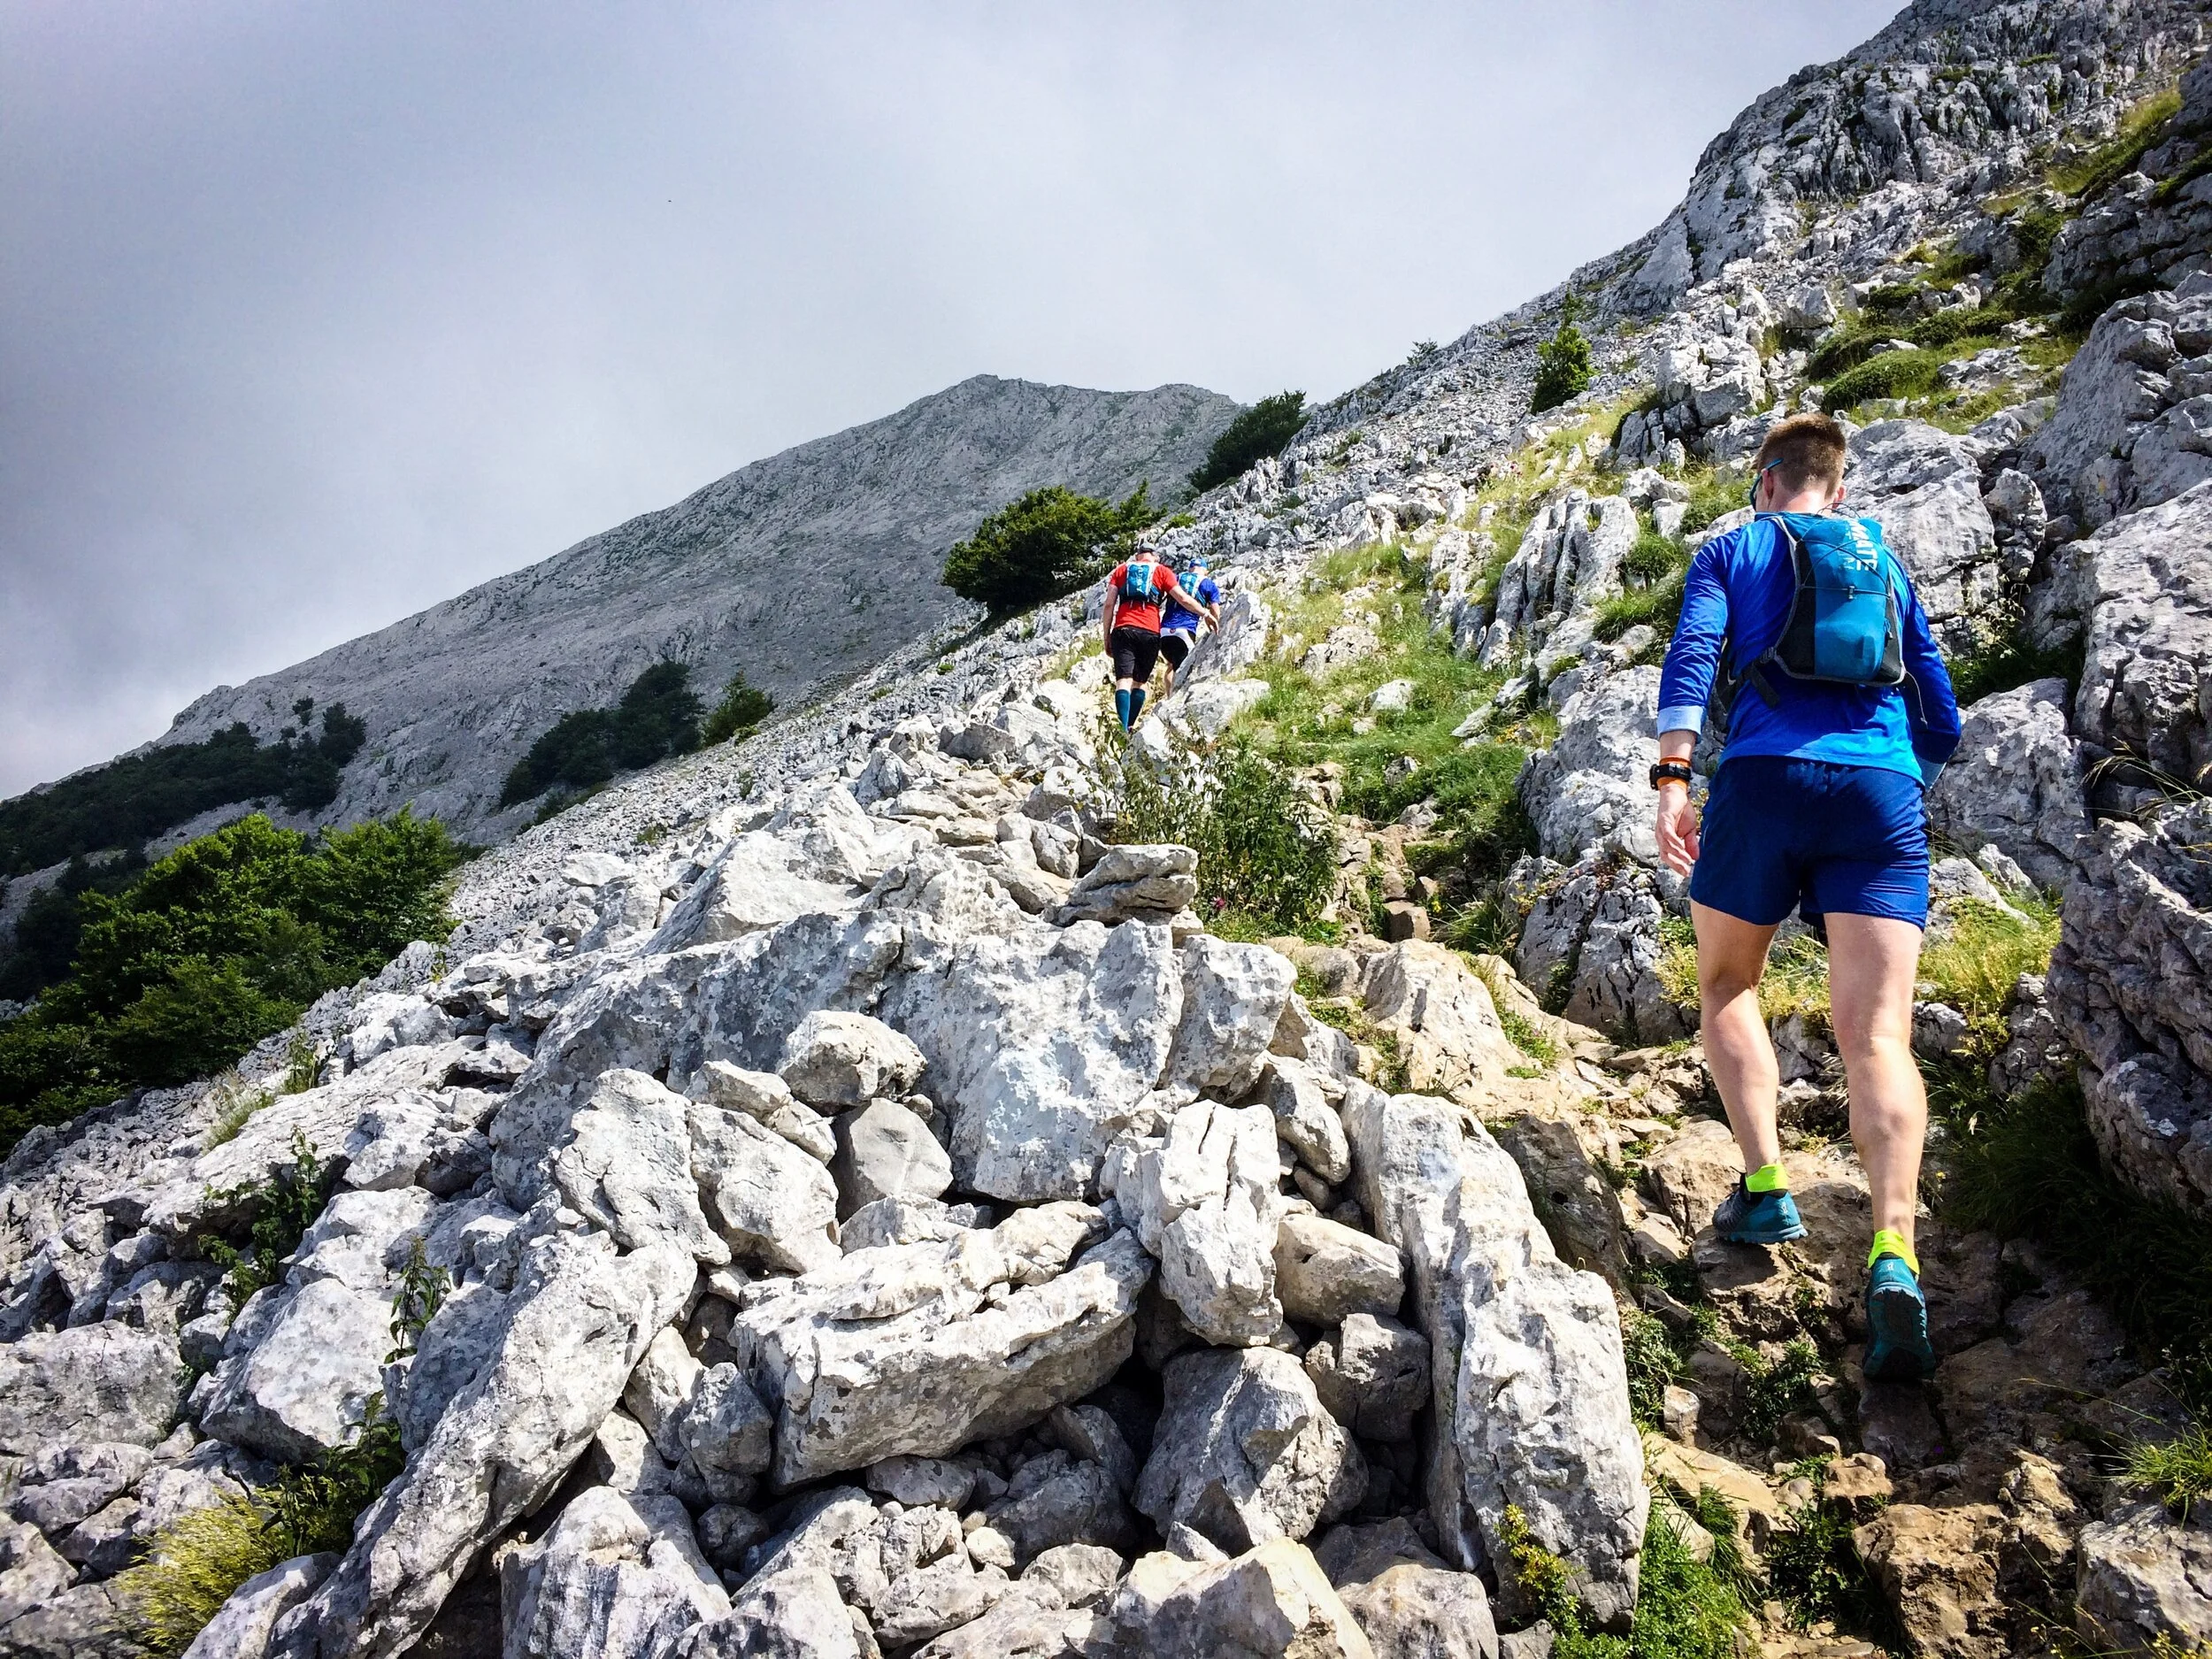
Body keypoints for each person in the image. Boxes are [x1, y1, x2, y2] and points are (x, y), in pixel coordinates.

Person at [1651, 411, 1961, 1384]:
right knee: (1879, 1037)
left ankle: (1766, 1184)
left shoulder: (1735, 547)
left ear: (1764, 478)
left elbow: (1694, 661)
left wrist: (1671, 777)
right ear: (1841, 484)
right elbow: (1939, 709)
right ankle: (1894, 1254)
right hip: (1881, 794)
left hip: (1761, 781)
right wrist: (1893, 774)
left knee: (1729, 985)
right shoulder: (1885, 562)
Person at [1101, 545, 1199, 730]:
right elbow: (1183, 599)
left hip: (1123, 628)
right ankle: (1130, 726)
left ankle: (1122, 727)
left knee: (1123, 680)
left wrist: (1106, 636)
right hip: (1151, 632)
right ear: (1156, 557)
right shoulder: (1162, 571)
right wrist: (1205, 613)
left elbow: (1108, 605)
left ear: (1137, 556)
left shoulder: (1122, 570)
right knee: (1140, 682)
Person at [1157, 557, 1224, 695]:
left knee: (1171, 665)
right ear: (1205, 571)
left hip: (1164, 632)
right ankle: (1175, 701)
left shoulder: (1176, 577)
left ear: (1190, 568)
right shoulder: (1208, 584)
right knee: (1186, 669)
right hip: (1185, 631)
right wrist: (1215, 626)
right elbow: (1215, 609)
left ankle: (1169, 697)